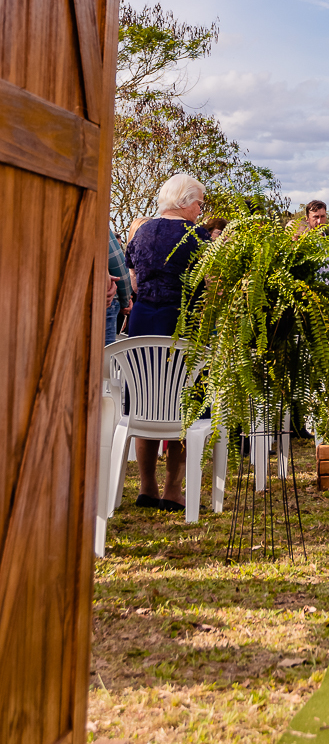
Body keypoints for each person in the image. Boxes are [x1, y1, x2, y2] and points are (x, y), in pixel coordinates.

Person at [124, 174, 212, 511]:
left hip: (143, 322)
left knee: (147, 400)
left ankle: (147, 487)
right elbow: (208, 280)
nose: (200, 211)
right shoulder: (197, 236)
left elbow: (133, 280)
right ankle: (174, 489)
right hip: (182, 323)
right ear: (187, 202)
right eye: (199, 204)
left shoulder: (142, 231)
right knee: (185, 404)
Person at [106, 228, 132, 346]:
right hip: (105, 300)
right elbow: (118, 265)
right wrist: (125, 302)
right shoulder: (93, 217)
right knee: (104, 359)